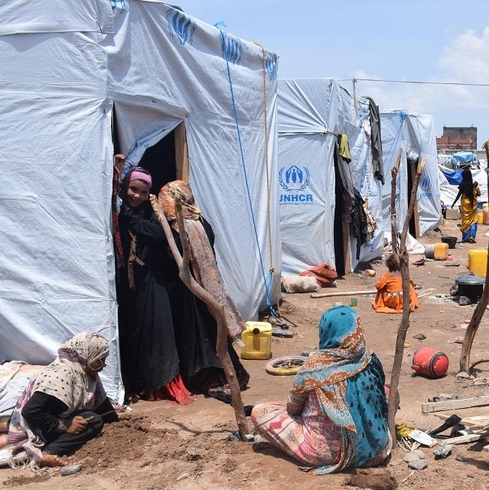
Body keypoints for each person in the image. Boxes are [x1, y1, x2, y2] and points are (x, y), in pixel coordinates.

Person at [250, 306, 391, 474]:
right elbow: (382, 401)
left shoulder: (314, 368)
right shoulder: (369, 359)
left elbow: (293, 409)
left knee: (259, 411)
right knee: (388, 390)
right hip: (377, 449)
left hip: (330, 454)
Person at [155, 180, 249, 397]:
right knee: (213, 330)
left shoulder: (181, 226)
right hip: (207, 287)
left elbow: (176, 258)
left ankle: (213, 376)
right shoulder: (200, 220)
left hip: (192, 291)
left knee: (201, 334)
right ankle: (231, 373)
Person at [115, 167, 188, 403]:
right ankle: (136, 383)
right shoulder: (115, 213)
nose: (136, 196)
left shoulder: (150, 215)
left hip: (152, 282)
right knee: (133, 332)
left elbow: (159, 234)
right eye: (132, 189)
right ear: (124, 188)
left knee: (156, 331)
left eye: (142, 192)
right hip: (128, 285)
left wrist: (133, 220)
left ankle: (159, 383)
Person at [5, 332, 118, 468]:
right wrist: (65, 425)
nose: (104, 365)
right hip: (35, 427)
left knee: (93, 418)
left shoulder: (84, 372)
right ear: (88, 355)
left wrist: (117, 425)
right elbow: (31, 411)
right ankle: (47, 453)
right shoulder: (60, 376)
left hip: (51, 420)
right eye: (100, 359)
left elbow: (101, 404)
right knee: (92, 421)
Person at [450, 166, 480, 243]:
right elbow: (479, 194)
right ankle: (471, 236)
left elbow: (459, 194)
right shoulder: (474, 184)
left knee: (465, 220)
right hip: (472, 204)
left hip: (464, 204)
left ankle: (465, 237)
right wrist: (476, 189)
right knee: (474, 220)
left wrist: (453, 203)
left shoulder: (462, 184)